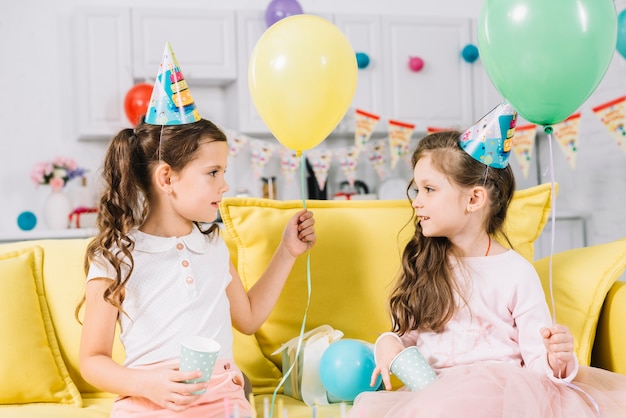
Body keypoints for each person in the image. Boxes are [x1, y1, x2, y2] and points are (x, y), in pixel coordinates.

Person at [77, 42, 316, 417]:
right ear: (167, 177)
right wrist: (146, 384)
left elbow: (248, 319)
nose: (224, 185)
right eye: (213, 173)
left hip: (221, 397)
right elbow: (92, 359)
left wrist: (287, 251)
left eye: (224, 172)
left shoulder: (213, 245)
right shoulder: (116, 254)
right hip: (148, 399)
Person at [348, 115, 626, 417]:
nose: (416, 201)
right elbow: (410, 336)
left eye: (429, 189)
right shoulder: (426, 261)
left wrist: (556, 358)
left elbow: (537, 364)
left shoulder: (516, 272)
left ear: (474, 199)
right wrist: (389, 343)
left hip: (501, 396)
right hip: (434, 395)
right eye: (417, 190)